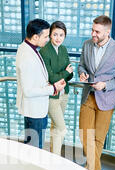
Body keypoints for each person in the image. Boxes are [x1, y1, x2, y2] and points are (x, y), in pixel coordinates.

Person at [78, 15, 115, 170]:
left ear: (107, 32)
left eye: (97, 31)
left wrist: (105, 85)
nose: (93, 34)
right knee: (85, 134)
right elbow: (81, 65)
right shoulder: (87, 45)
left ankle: (90, 169)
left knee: (99, 138)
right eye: (92, 30)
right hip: (88, 96)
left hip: (107, 98)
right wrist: (83, 73)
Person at [16, 19, 66, 149]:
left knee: (34, 147)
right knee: (34, 149)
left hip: (37, 109)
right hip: (35, 111)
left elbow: (35, 78)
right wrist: (53, 88)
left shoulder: (31, 49)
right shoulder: (27, 57)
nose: (48, 39)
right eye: (45, 36)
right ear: (35, 37)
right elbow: (28, 91)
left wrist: (48, 84)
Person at [39, 21, 74, 156]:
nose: (58, 38)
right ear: (50, 35)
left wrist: (66, 74)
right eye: (55, 34)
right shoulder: (44, 51)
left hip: (64, 93)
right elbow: (51, 78)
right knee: (61, 127)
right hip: (52, 96)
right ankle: (56, 157)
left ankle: (55, 158)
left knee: (55, 127)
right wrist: (65, 73)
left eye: (61, 35)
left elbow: (71, 74)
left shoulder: (64, 49)